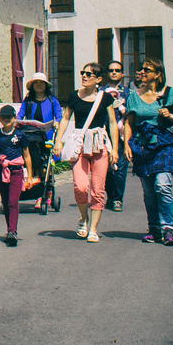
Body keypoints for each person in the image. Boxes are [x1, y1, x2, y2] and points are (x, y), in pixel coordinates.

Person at [122, 58, 173, 245]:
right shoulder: (134, 96)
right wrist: (126, 144)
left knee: (163, 185)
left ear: (158, 74)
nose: (142, 72)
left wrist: (171, 115)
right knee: (149, 191)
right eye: (141, 69)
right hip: (142, 145)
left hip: (164, 144)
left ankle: (168, 228)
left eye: (147, 69)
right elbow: (129, 122)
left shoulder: (170, 93)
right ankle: (154, 228)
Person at [52, 62, 118, 242]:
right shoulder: (74, 96)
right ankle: (83, 219)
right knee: (81, 187)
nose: (84, 76)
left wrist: (115, 149)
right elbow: (65, 118)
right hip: (80, 143)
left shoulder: (105, 98)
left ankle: (93, 229)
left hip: (98, 144)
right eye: (83, 73)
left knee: (98, 189)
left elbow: (112, 123)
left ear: (98, 79)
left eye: (89, 74)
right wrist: (58, 140)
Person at [0, 104, 40, 246]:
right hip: (2, 171)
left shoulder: (20, 135)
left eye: (9, 117)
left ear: (15, 118)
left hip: (16, 171)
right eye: (3, 118)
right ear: (0, 119)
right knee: (5, 202)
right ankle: (9, 229)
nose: (6, 120)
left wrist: (29, 175)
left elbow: (27, 155)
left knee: (13, 202)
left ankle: (12, 231)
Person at [103, 60, 130, 210]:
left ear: (122, 74)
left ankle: (118, 199)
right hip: (104, 135)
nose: (114, 72)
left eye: (117, 70)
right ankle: (110, 195)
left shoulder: (128, 93)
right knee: (105, 169)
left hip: (121, 136)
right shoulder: (100, 91)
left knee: (120, 168)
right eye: (111, 70)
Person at [19, 72, 62, 142]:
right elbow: (20, 114)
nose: (39, 85)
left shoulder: (53, 100)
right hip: (30, 135)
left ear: (45, 85)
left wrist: (57, 122)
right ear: (32, 85)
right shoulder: (27, 101)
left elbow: (59, 115)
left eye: (41, 82)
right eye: (36, 82)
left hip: (49, 136)